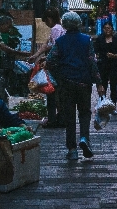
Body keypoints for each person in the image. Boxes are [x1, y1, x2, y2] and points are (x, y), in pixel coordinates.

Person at [45, 11, 104, 160]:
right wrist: (99, 83)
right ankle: (84, 138)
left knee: (69, 116)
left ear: (64, 24)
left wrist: (61, 71)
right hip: (84, 82)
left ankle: (72, 149)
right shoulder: (86, 40)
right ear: (78, 23)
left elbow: (50, 61)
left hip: (66, 83)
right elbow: (92, 62)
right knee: (84, 112)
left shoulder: (60, 41)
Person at [29, 7, 63, 127]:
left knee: (52, 92)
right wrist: (36, 55)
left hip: (56, 66)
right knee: (55, 92)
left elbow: (55, 48)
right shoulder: (58, 28)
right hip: (56, 64)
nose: (47, 24)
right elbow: (47, 45)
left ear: (49, 19)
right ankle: (57, 118)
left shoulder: (56, 29)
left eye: (46, 21)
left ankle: (54, 119)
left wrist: (46, 60)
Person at [93, 21, 117, 109]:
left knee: (113, 87)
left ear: (112, 29)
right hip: (102, 65)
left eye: (109, 28)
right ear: (103, 29)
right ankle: (103, 104)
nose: (107, 30)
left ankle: (113, 106)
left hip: (114, 65)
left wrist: (114, 56)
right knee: (103, 86)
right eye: (105, 28)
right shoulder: (99, 39)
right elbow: (95, 52)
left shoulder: (116, 40)